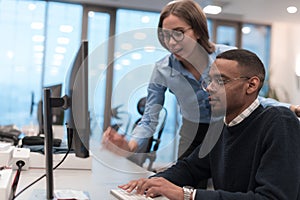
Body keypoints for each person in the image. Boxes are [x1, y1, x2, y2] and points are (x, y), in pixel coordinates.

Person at [102, 0, 300, 166]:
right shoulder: (162, 70)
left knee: (227, 184)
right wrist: (131, 145)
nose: (171, 42)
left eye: (179, 32)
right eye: (165, 35)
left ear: (197, 30)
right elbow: (149, 117)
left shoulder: (227, 58)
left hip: (227, 129)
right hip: (191, 132)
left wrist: (290, 108)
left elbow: (252, 97)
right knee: (183, 180)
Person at [117, 49, 300, 200]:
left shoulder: (280, 122)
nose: (209, 88)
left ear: (251, 85)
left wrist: (188, 195)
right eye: (209, 81)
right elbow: (190, 167)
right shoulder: (221, 128)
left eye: (221, 81)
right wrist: (152, 182)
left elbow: (272, 198)